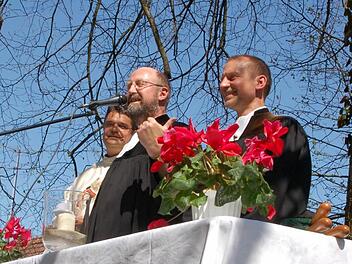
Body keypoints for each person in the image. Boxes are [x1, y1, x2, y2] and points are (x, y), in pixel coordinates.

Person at [86, 67, 187, 243]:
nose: (131, 91)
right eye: (129, 86)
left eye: (140, 84)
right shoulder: (127, 147)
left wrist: (160, 151)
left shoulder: (177, 132)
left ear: (162, 93)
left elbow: (188, 190)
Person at [219, 54, 312, 227]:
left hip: (260, 237)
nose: (223, 85)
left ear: (260, 82)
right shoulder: (223, 139)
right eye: (222, 79)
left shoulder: (282, 128)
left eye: (232, 77)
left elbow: (273, 194)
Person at [66, 106, 135, 233]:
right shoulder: (84, 176)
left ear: (133, 133)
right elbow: (63, 214)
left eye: (122, 126)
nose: (114, 129)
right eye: (109, 124)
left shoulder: (134, 172)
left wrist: (90, 223)